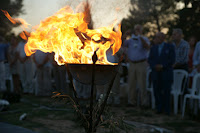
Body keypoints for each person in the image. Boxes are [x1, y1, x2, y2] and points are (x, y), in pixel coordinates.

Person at [148, 32, 175, 114]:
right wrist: (155, 66)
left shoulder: (170, 47)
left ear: (163, 38)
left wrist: (163, 66)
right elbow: (150, 59)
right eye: (156, 37)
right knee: (157, 90)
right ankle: (159, 108)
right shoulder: (153, 48)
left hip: (166, 73)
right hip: (156, 73)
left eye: (159, 37)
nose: (157, 39)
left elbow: (172, 59)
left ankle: (167, 109)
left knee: (166, 91)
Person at [123, 24, 150, 107]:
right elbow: (121, 43)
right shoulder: (130, 40)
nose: (137, 31)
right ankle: (131, 101)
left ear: (141, 30)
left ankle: (144, 102)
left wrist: (140, 37)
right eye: (136, 29)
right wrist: (126, 34)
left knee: (142, 84)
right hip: (132, 64)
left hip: (141, 63)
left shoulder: (144, 39)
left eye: (138, 29)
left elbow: (147, 47)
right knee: (131, 83)